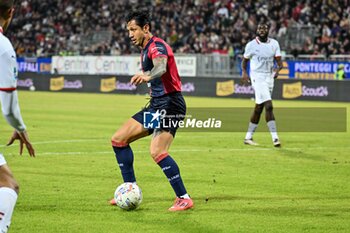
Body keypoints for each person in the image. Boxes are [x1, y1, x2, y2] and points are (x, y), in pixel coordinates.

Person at [109, 11, 193, 211]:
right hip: (158, 105)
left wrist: (147, 75)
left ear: (145, 28)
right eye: (128, 30)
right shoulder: (145, 48)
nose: (130, 34)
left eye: (134, 29)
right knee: (119, 140)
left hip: (171, 104)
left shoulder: (156, 46)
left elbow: (161, 67)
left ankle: (184, 198)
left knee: (157, 151)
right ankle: (129, 189)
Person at [0, 1, 35, 232]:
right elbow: (9, 107)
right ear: (11, 12)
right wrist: (20, 128)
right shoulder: (3, 47)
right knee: (8, 185)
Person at [241, 23, 283, 147]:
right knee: (269, 105)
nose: (262, 30)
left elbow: (280, 63)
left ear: (268, 30)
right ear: (257, 30)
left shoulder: (274, 44)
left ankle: (248, 137)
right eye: (259, 28)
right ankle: (275, 138)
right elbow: (244, 61)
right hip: (257, 77)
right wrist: (244, 72)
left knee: (259, 108)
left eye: (264, 28)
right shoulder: (251, 45)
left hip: (269, 78)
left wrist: (277, 70)